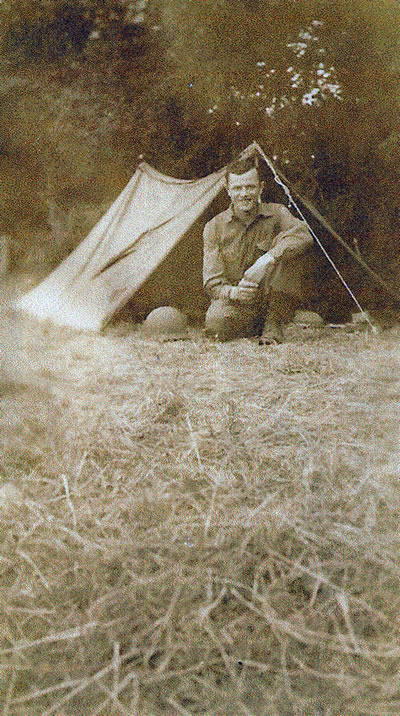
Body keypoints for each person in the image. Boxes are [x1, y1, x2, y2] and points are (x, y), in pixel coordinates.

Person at [202, 156, 315, 343]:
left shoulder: (277, 214)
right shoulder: (214, 227)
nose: (244, 194)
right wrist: (235, 292)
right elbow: (212, 283)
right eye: (237, 188)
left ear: (260, 188)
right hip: (239, 303)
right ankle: (263, 325)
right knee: (215, 323)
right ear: (227, 190)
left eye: (250, 187)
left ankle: (274, 324)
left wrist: (266, 260)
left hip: (274, 299)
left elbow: (303, 235)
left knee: (289, 243)